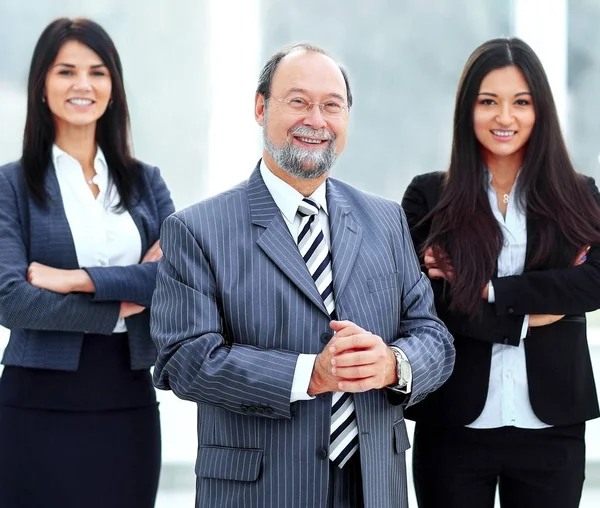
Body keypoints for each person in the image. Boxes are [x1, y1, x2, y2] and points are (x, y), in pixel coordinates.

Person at [150, 43, 455, 508]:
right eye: (298, 101)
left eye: (332, 105)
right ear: (260, 107)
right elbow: (183, 361)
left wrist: (394, 363)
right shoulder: (197, 229)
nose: (316, 119)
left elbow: (433, 336)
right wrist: (309, 375)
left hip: (373, 487)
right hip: (261, 491)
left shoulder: (385, 219)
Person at [402, 37, 600, 508]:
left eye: (521, 102)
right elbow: (433, 307)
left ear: (541, 111)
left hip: (551, 428)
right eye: (488, 101)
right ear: (467, 109)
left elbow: (593, 282)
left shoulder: (578, 195)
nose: (505, 117)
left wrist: (489, 289)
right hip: (453, 425)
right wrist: (532, 315)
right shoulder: (429, 198)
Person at [0, 17, 175, 508]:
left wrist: (74, 280)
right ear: (41, 85)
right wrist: (118, 307)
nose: (83, 85)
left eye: (97, 72)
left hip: (127, 397)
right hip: (35, 402)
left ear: (113, 87)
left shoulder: (145, 182)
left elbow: (180, 277)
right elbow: (12, 300)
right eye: (66, 71)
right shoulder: (10, 186)